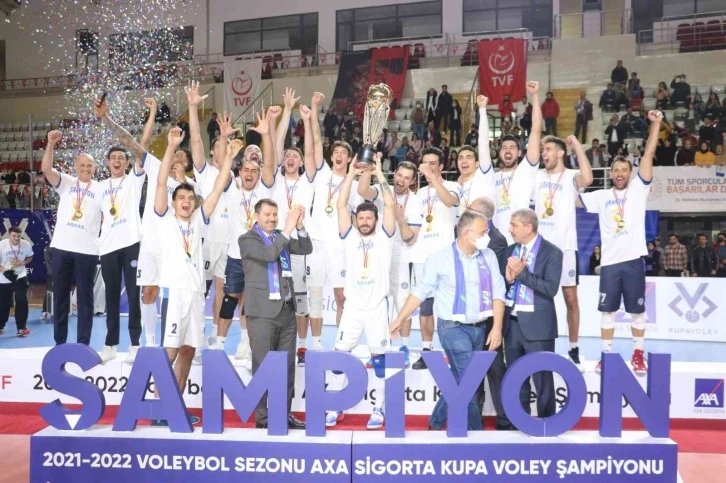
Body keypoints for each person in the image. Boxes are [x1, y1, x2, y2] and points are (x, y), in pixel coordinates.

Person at [96, 95, 198, 350]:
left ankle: (178, 341)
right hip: (151, 242)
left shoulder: (191, 187)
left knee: (176, 294)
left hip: (177, 247)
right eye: (174, 155)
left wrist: (183, 181)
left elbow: (203, 207)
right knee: (148, 292)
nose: (177, 160)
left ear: (187, 166)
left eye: (182, 159)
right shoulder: (155, 166)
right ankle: (149, 342)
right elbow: (128, 142)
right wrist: (106, 118)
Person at [391, 209, 505, 431]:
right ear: (467, 234)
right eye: (483, 232)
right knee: (470, 381)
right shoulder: (439, 259)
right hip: (452, 329)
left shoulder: (489, 256)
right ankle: (476, 433)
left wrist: (497, 328)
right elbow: (420, 292)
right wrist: (400, 319)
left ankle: (435, 422)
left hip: (480, 328)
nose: (487, 236)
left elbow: (498, 293)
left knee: (459, 379)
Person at [151, 127, 233, 426]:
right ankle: (159, 408)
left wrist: (229, 157)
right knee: (171, 350)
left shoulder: (199, 219)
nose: (186, 201)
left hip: (196, 295)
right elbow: (162, 181)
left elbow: (218, 188)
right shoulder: (164, 218)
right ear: (174, 202)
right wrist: (171, 147)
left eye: (190, 197)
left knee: (188, 350)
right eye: (181, 197)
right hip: (174, 293)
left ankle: (176, 407)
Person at [578, 110, 663, 376]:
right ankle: (606, 355)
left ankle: (638, 355)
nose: (619, 173)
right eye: (616, 170)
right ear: (611, 173)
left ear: (630, 173)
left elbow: (648, 154)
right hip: (610, 264)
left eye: (624, 170)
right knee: (607, 312)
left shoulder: (639, 189)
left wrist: (656, 124)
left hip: (633, 261)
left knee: (638, 312)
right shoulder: (601, 196)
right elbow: (574, 199)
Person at [325, 154, 396, 430]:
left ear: (376, 220)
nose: (365, 221)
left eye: (369, 218)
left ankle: (379, 408)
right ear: (357, 220)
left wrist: (378, 173)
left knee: (380, 361)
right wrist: (351, 175)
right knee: (340, 357)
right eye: (361, 218)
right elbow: (341, 204)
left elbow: (390, 203)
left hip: (377, 308)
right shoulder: (350, 236)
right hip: (353, 308)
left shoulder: (385, 237)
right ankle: (335, 406)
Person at [210, 110, 276, 367]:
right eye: (245, 169)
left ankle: (246, 344)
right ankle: (219, 345)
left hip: (257, 258)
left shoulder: (264, 189)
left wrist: (266, 134)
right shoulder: (232, 188)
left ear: (259, 175)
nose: (249, 173)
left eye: (254, 171)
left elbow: (269, 164)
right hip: (235, 256)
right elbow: (221, 164)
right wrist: (224, 138)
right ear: (240, 171)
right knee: (229, 299)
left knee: (251, 302)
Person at [239, 199, 311, 430]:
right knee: (263, 367)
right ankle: (263, 418)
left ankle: (283, 414)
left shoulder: (281, 236)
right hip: (262, 314)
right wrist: (288, 230)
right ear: (256, 216)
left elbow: (306, 248)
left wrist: (299, 226)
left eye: (275, 214)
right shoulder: (247, 239)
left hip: (287, 311)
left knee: (287, 368)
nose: (272, 219)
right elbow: (269, 255)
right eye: (267, 214)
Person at [303, 92, 367, 345]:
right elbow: (316, 141)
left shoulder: (354, 185)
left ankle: (342, 342)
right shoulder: (322, 174)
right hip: (316, 243)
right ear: (332, 157)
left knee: (341, 297)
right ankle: (316, 345)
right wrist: (314, 109)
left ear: (350, 159)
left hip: (340, 246)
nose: (339, 155)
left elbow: (359, 217)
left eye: (344, 152)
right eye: (336, 151)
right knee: (315, 296)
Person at [534, 135, 593, 371]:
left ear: (560, 153)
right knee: (539, 300)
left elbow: (588, 178)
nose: (544, 153)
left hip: (565, 248)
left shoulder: (570, 177)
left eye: (548, 149)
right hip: (540, 249)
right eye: (543, 150)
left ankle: (574, 349)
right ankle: (539, 348)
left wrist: (577, 146)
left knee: (571, 300)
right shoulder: (537, 176)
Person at [357, 161, 421, 367]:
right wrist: (369, 169)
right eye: (399, 175)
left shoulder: (415, 202)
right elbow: (362, 190)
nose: (401, 180)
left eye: (407, 178)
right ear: (394, 174)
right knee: (378, 304)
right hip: (377, 256)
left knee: (403, 304)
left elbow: (411, 239)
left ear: (412, 181)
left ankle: (404, 348)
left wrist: (401, 220)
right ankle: (378, 349)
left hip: (401, 258)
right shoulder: (381, 190)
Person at [41, 131, 102, 346]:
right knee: (60, 296)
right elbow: (46, 169)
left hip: (87, 250)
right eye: (82, 165)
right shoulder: (66, 182)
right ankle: (60, 343)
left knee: (85, 299)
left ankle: (83, 344)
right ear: (76, 166)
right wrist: (50, 144)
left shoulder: (101, 189)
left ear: (95, 168)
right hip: (62, 247)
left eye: (90, 165)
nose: (86, 168)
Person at [270, 88, 316, 365]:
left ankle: (302, 347)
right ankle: (273, 343)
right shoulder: (275, 179)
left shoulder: (308, 182)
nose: (290, 158)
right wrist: (287, 110)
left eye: (295, 156)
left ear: (300, 162)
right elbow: (276, 143)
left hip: (297, 245)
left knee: (300, 298)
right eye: (287, 156)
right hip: (276, 244)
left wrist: (307, 120)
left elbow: (310, 150)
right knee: (276, 296)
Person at [503, 208, 562, 419]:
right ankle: (520, 422)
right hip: (512, 324)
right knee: (516, 379)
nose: (510, 229)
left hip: (538, 327)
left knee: (542, 379)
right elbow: (503, 285)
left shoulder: (552, 252)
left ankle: (547, 423)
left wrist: (522, 274)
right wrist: (509, 280)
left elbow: (551, 289)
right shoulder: (510, 251)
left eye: (514, 225)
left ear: (528, 227)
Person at [185, 82, 230, 357]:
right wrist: (193, 108)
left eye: (226, 147)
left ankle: (215, 336)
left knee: (223, 292)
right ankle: (196, 336)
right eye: (219, 147)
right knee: (200, 291)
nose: (222, 150)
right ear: (213, 153)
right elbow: (196, 141)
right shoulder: (205, 172)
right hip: (205, 240)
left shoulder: (237, 177)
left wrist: (225, 139)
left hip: (229, 242)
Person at [409, 147, 460, 370]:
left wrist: (432, 179)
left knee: (448, 307)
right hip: (422, 257)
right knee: (425, 307)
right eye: (425, 163)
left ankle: (454, 350)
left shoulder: (453, 186)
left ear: (441, 166)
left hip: (445, 256)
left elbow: (449, 202)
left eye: (433, 163)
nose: (429, 167)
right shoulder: (419, 195)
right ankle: (427, 351)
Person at [97, 143, 145, 364]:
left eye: (121, 158)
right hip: (108, 247)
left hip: (131, 244)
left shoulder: (134, 180)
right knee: (111, 296)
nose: (117, 161)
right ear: (108, 162)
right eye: (113, 157)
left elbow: (141, 151)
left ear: (127, 162)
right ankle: (110, 345)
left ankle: (135, 344)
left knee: (134, 295)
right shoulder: (99, 187)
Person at [468, 197, 513, 430]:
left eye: (470, 210)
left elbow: (488, 278)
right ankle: (474, 419)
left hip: (488, 317)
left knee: (495, 368)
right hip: (471, 316)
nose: (465, 213)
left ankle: (504, 419)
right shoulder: (469, 236)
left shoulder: (496, 240)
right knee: (472, 369)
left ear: (482, 217)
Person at [491, 82, 542, 245]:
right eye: (504, 148)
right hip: (497, 242)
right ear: (499, 153)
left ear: (519, 153)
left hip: (519, 240)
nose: (507, 151)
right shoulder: (492, 177)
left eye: (512, 147)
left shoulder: (525, 170)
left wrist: (535, 96)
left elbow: (536, 130)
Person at [0, 226, 33, 337]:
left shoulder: (26, 244)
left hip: (20, 276)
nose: (16, 238)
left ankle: (21, 328)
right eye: (14, 236)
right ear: (9, 235)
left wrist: (22, 263)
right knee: (3, 303)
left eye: (18, 236)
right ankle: (0, 326)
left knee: (22, 300)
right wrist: (5, 272)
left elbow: (30, 257)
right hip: (3, 277)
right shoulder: (1, 245)